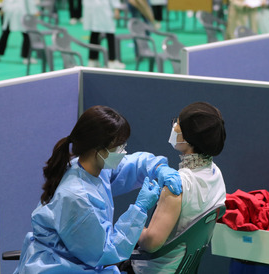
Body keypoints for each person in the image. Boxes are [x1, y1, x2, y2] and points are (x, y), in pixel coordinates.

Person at [14, 105, 183, 273]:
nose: (123, 152)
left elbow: (133, 164)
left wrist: (158, 167)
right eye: (119, 147)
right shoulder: (76, 197)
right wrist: (139, 209)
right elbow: (105, 252)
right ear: (98, 150)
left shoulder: (91, 168)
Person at [131, 102, 227, 274]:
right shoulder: (215, 173)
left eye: (178, 123)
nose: (174, 126)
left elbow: (151, 243)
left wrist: (131, 224)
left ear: (188, 139)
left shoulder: (178, 185)